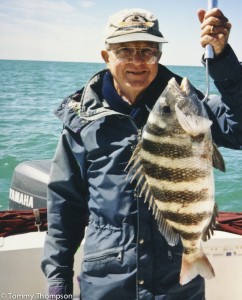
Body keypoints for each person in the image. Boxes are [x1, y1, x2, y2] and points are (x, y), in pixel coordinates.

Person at [41, 7, 242, 300]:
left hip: (176, 287)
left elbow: (238, 129)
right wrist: (57, 282)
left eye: (148, 51)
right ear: (106, 56)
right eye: (125, 50)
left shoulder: (187, 105)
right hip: (107, 285)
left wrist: (223, 60)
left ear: (158, 57)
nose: (137, 60)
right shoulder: (82, 121)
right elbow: (64, 207)